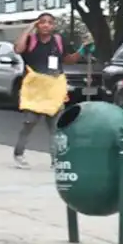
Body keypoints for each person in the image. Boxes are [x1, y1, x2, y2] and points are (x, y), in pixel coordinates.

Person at [13, 12, 74, 167]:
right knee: (29, 123)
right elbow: (18, 49)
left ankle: (56, 159)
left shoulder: (58, 41)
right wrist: (28, 28)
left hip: (54, 90)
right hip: (34, 90)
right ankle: (19, 154)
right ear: (37, 24)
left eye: (49, 22)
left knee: (56, 127)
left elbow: (68, 59)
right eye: (42, 22)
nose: (46, 25)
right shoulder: (30, 40)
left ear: (53, 26)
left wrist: (82, 52)